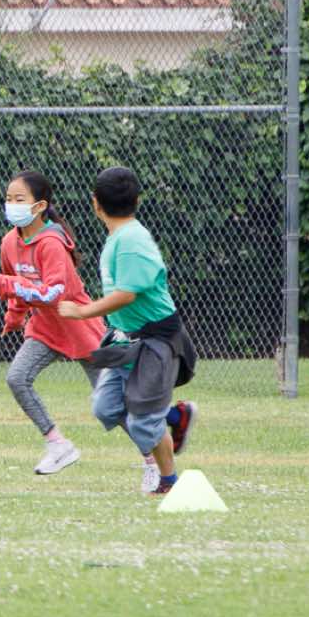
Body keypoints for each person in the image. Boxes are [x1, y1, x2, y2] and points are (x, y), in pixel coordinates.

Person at [60, 166, 200, 496]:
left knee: (143, 421)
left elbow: (126, 295)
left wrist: (82, 311)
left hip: (156, 341)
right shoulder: (119, 237)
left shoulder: (132, 241)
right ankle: (173, 416)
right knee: (105, 407)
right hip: (126, 340)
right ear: (137, 200)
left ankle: (168, 482)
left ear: (95, 203)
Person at [0, 171, 105, 476]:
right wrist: (15, 316)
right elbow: (18, 285)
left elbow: (52, 293)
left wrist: (6, 285)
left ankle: (155, 457)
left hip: (78, 325)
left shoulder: (51, 243)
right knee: (17, 378)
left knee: (110, 404)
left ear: (40, 206)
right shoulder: (9, 242)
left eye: (19, 199)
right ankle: (58, 445)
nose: (12, 205)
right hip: (46, 329)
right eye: (8, 199)